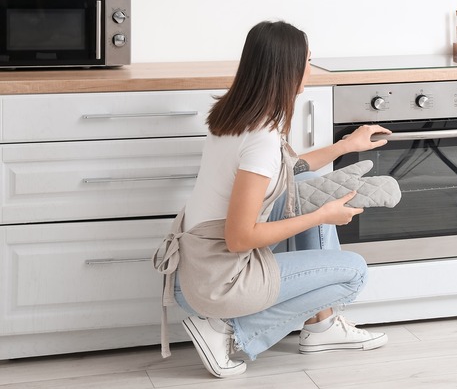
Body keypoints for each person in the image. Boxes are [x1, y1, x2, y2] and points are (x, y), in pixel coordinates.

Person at [153, 20, 391, 378]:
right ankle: (227, 331)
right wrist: (322, 216)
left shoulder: (236, 117)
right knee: (353, 273)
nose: (311, 68)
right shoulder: (262, 137)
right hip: (219, 285)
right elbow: (240, 238)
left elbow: (287, 171)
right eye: (308, 61)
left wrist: (346, 146)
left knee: (307, 181)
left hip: (197, 271)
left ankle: (321, 326)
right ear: (289, 70)